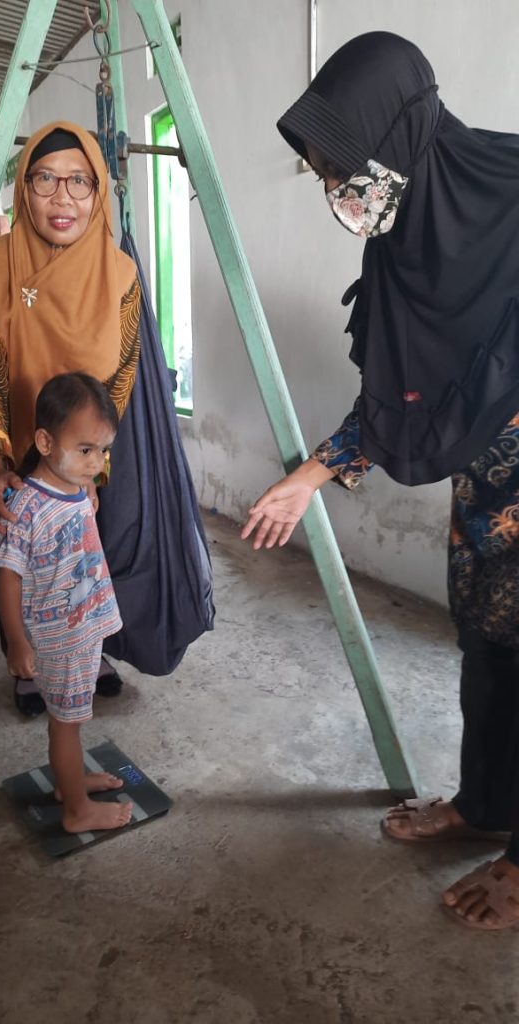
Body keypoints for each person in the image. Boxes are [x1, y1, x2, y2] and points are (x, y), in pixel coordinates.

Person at [242, 32, 519, 931]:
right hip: (488, 502)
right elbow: (401, 401)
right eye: (326, 171)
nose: (338, 188)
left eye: (345, 164)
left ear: (400, 132)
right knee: (489, 650)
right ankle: (487, 804)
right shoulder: (404, 248)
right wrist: (308, 478)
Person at [0, 120, 140, 717]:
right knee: (25, 563)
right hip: (20, 455)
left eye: (79, 182)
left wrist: (91, 467)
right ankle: (26, 661)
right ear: (24, 189)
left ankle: (88, 652)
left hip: (84, 458)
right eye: (45, 179)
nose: (63, 198)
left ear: (98, 192)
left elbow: (121, 377)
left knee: (84, 561)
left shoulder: (122, 276)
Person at [0, 372, 133, 832]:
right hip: (61, 637)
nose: (97, 463)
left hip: (82, 626)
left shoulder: (74, 486)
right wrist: (17, 641)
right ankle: (76, 809)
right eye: (86, 450)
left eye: (103, 450)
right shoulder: (26, 506)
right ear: (45, 442)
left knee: (73, 715)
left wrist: (86, 489)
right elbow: (7, 573)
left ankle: (70, 782)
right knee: (65, 723)